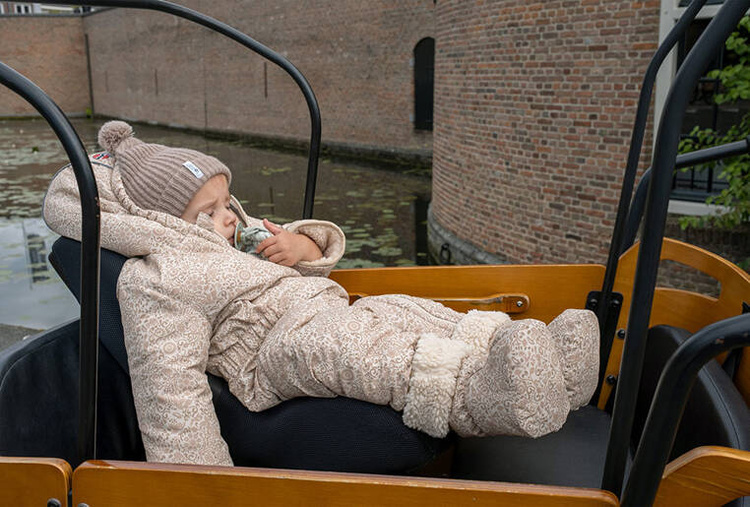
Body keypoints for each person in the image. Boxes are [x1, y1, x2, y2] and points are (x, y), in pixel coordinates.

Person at [43, 121, 599, 467]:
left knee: (402, 310)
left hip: (316, 306)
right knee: (362, 351)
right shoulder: (158, 278)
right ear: (166, 221)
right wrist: (204, 485)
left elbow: (312, 253)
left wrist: (302, 247)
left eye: (226, 203)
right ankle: (484, 395)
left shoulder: (235, 236)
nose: (228, 218)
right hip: (269, 351)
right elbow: (170, 390)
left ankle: (540, 360)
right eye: (207, 212)